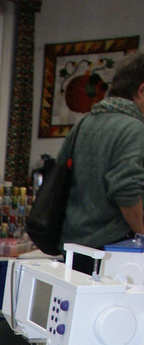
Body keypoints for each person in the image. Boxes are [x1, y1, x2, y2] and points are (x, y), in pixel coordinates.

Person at [59, 51, 144, 262]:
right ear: (141, 91)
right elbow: (127, 191)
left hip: (73, 248)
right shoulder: (135, 129)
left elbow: (61, 176)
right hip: (111, 252)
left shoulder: (84, 123)